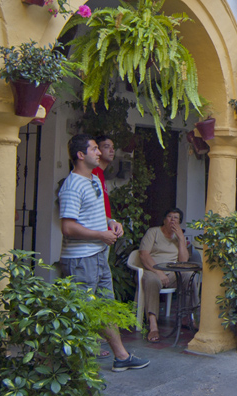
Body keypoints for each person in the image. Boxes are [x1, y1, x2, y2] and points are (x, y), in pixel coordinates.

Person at [58, 133, 150, 372]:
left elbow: (94, 216)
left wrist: (111, 223)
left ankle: (121, 356)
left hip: (98, 256)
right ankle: (70, 367)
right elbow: (67, 227)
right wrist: (100, 235)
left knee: (105, 308)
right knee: (82, 312)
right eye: (94, 149)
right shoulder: (72, 185)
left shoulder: (95, 180)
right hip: (80, 259)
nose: (99, 153)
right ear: (81, 155)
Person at [138, 208, 197, 342]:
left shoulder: (178, 237)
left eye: (176, 218)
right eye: (169, 217)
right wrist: (158, 272)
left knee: (189, 276)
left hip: (172, 273)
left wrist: (182, 239)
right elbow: (144, 254)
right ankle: (153, 325)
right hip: (152, 270)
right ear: (164, 220)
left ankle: (188, 317)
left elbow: (183, 262)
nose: (172, 220)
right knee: (152, 281)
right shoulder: (153, 232)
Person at [92, 135, 115, 221]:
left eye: (113, 147)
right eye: (106, 147)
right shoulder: (93, 173)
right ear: (98, 150)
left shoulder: (101, 173)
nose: (112, 150)